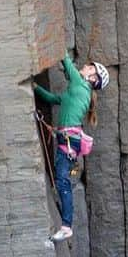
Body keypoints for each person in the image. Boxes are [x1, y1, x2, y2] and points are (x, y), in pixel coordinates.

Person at [33, 53, 109, 241]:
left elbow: (65, 61)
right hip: (69, 140)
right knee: (62, 180)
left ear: (93, 78)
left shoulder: (80, 84)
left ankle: (66, 226)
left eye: (91, 67)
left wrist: (57, 38)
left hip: (68, 140)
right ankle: (66, 223)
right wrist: (34, 88)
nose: (86, 66)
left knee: (62, 182)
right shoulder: (77, 91)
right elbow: (53, 99)